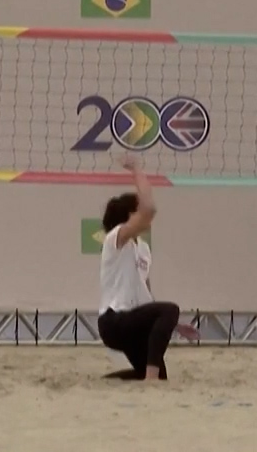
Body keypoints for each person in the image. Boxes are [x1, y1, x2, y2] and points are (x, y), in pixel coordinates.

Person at [97, 154, 200, 381]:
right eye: (137, 211)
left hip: (132, 322)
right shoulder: (116, 239)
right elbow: (150, 209)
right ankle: (150, 382)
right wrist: (136, 169)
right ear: (128, 217)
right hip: (113, 321)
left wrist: (173, 326)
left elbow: (146, 300)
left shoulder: (142, 248)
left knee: (155, 371)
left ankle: (110, 382)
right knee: (170, 308)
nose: (143, 216)